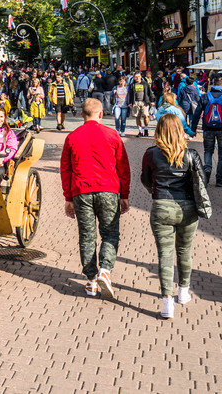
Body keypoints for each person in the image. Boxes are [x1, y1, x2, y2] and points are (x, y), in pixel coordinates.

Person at [61, 98, 131, 299]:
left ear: (82, 114)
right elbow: (123, 167)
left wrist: (68, 197)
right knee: (110, 233)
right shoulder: (112, 135)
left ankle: (91, 280)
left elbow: (66, 169)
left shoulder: (72, 137)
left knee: (87, 235)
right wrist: (124, 194)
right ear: (101, 114)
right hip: (108, 190)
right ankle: (105, 270)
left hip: (81, 191)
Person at [140, 114, 202, 319]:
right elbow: (202, 182)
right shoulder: (191, 154)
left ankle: (167, 302)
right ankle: (183, 292)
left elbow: (146, 179)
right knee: (185, 250)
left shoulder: (151, 154)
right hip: (188, 207)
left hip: (162, 205)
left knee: (164, 254)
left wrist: (155, 191)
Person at [193, 77, 222, 187]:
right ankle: (219, 179)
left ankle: (207, 169)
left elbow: (197, 113)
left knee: (208, 151)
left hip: (208, 128)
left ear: (213, 84)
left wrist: (193, 128)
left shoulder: (205, 96)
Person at [128, 72, 154, 137]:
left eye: (138, 76)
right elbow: (130, 94)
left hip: (144, 102)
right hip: (135, 102)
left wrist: (152, 100)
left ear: (141, 77)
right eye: (136, 77)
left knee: (145, 115)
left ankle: (146, 129)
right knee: (137, 117)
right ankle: (140, 131)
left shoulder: (145, 84)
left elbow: (150, 92)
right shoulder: (132, 85)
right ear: (133, 77)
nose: (137, 78)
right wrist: (129, 102)